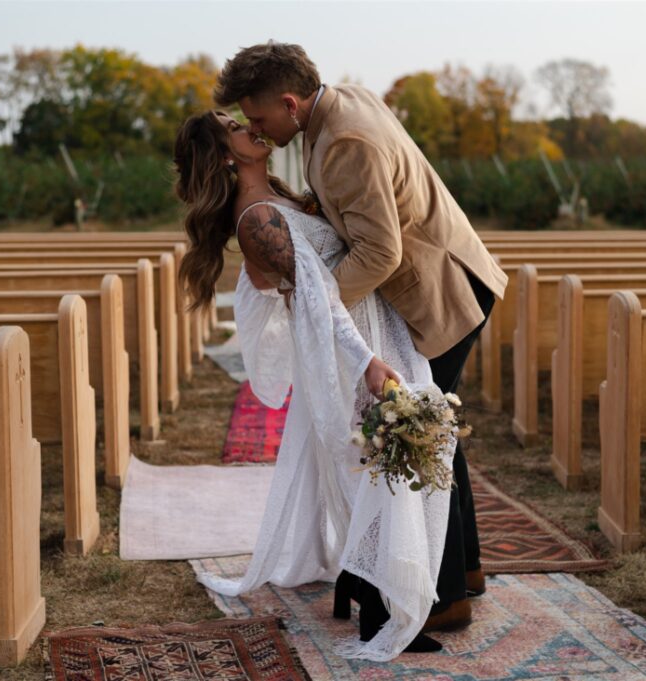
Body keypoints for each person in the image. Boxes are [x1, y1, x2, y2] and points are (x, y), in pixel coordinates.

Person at [212, 42, 508, 634]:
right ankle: (466, 568)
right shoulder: (338, 105)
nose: (255, 126)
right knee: (436, 427)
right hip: (448, 275)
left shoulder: (345, 139)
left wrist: (320, 313)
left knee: (417, 433)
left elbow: (380, 252)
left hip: (440, 292)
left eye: (261, 116)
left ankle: (445, 597)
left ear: (291, 103)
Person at [174, 110, 454, 660]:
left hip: (371, 325)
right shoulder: (256, 218)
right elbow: (316, 299)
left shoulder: (280, 196)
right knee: (379, 467)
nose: (249, 125)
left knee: (381, 463)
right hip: (348, 346)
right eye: (234, 126)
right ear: (226, 155)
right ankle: (381, 615)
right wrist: (367, 362)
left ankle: (360, 581)